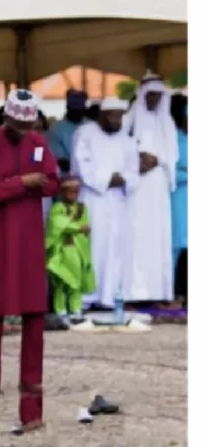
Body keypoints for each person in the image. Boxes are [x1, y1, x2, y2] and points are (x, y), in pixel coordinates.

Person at [0, 90, 60, 432]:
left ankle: (32, 394)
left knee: (35, 311)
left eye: (28, 124)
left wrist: (40, 184)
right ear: (5, 118)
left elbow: (52, 182)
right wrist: (19, 183)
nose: (23, 130)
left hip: (30, 240)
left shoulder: (39, 142)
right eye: (17, 124)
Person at [70, 98, 139, 308]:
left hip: (117, 202)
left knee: (114, 248)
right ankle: (85, 299)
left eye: (120, 116)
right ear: (101, 115)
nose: (116, 120)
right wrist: (107, 179)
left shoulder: (127, 141)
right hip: (92, 199)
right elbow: (81, 164)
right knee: (90, 246)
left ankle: (108, 297)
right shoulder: (85, 133)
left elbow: (133, 171)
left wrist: (124, 180)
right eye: (112, 115)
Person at [122, 73, 178, 304]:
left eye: (158, 96)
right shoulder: (129, 119)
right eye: (150, 95)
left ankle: (157, 292)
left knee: (157, 236)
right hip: (136, 185)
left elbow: (173, 153)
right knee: (135, 235)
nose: (154, 100)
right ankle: (133, 293)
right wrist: (136, 159)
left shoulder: (167, 121)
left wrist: (158, 160)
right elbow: (118, 145)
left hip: (157, 186)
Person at [45, 177, 96, 323]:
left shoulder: (82, 208)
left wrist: (78, 228)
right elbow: (58, 225)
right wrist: (77, 228)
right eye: (70, 191)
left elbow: (85, 226)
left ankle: (75, 309)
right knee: (60, 283)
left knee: (76, 285)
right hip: (61, 253)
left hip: (77, 251)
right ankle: (60, 310)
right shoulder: (57, 208)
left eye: (76, 191)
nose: (73, 194)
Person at [45, 90, 90, 175]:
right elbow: (62, 162)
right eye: (74, 109)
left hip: (92, 179)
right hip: (66, 179)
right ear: (67, 107)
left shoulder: (91, 126)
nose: (77, 111)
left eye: (80, 108)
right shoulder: (55, 129)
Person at [171, 103, 189, 300]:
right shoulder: (174, 138)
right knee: (176, 246)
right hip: (178, 198)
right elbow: (169, 171)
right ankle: (174, 292)